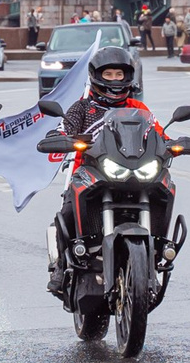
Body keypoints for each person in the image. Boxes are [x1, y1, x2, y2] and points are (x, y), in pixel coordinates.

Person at [46, 44, 162, 299]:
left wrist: (174, 145)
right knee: (66, 213)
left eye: (119, 75)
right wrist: (59, 136)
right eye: (108, 74)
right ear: (97, 76)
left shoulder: (139, 109)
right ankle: (59, 268)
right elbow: (64, 128)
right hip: (90, 173)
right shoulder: (82, 108)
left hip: (134, 172)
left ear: (128, 76)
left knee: (163, 190)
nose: (114, 80)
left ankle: (158, 251)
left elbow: (158, 134)